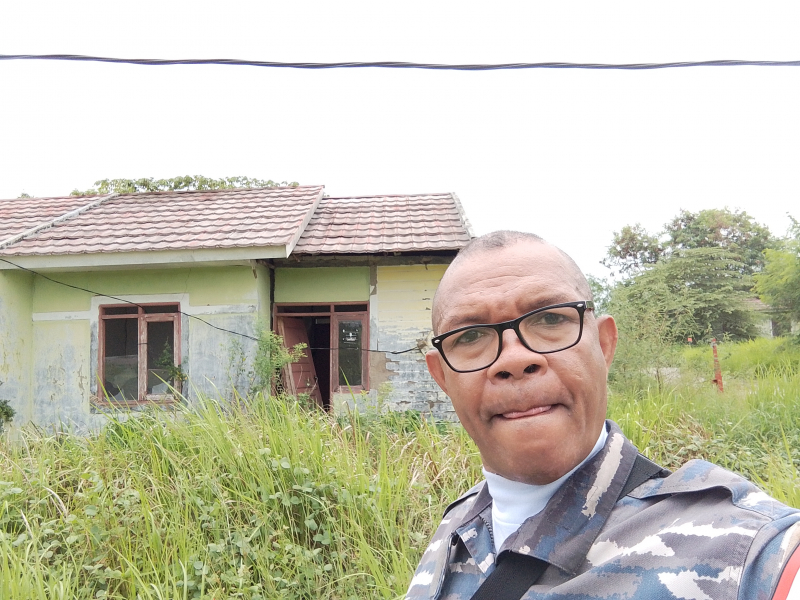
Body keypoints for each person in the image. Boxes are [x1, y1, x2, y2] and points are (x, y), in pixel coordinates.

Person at [406, 231, 800, 600]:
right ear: (442, 378)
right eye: (470, 336)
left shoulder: (748, 550)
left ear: (605, 345)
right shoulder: (454, 528)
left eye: (550, 318)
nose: (514, 359)